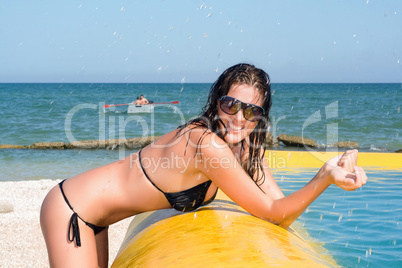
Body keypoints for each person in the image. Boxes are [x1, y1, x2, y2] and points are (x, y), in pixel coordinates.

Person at [40, 63, 367, 267]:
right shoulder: (206, 145)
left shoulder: (244, 150)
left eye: (251, 111)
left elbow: (281, 209)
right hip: (74, 210)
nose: (239, 118)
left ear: (261, 117)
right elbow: (273, 211)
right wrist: (324, 176)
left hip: (97, 218)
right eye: (231, 104)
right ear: (217, 102)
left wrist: (331, 169)